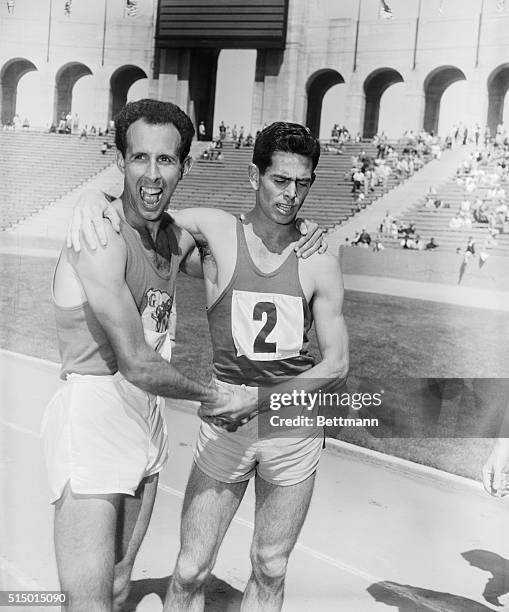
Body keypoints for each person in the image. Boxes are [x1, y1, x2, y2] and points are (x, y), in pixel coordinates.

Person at [70, 121, 347, 611]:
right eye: (279, 180)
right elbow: (142, 207)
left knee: (271, 566)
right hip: (225, 426)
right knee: (191, 568)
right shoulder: (216, 230)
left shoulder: (319, 258)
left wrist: (257, 400)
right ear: (252, 175)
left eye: (302, 183)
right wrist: (94, 198)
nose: (291, 195)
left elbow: (337, 363)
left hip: (291, 425)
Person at [45, 99, 257, 612]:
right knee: (88, 602)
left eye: (166, 160)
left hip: (147, 417)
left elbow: (245, 247)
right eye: (139, 158)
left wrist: (303, 238)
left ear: (184, 165)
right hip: (95, 413)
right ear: (120, 160)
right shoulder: (100, 238)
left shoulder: (171, 238)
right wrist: (214, 396)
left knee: (119, 587)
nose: (152, 173)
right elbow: (136, 362)